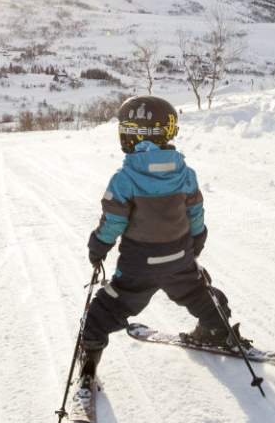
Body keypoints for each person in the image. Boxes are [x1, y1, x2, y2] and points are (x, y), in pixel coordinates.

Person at [74, 96, 240, 398]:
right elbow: (196, 214)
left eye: (125, 129)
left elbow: (113, 223)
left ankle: (89, 363)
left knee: (106, 308)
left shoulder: (125, 179)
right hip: (179, 258)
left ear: (138, 134)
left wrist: (98, 246)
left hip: (139, 267)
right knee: (197, 292)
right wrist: (197, 238)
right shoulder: (185, 173)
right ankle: (218, 329)